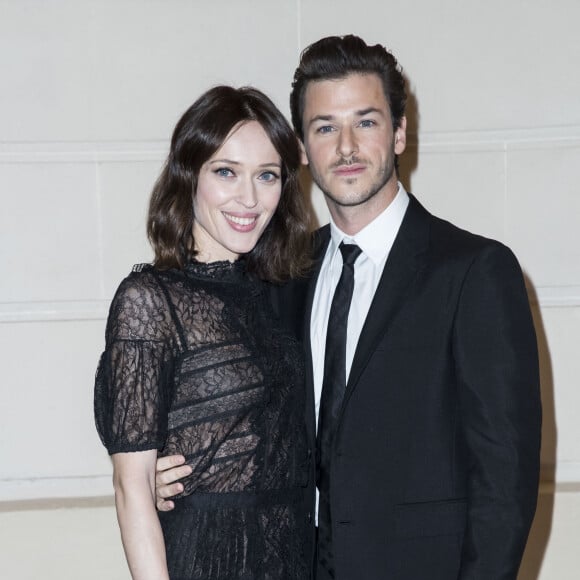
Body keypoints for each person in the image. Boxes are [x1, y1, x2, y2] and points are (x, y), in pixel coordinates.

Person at [155, 35, 542, 580]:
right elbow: (243, 427)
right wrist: (164, 475)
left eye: (366, 122)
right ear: (301, 150)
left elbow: (504, 478)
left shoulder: (475, 272)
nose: (346, 147)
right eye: (325, 127)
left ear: (400, 132)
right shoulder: (280, 275)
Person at [94, 85, 314, 580]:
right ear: (189, 175)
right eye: (226, 172)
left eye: (267, 176)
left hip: (291, 552)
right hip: (208, 558)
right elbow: (132, 490)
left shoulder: (276, 292)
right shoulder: (150, 300)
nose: (250, 198)